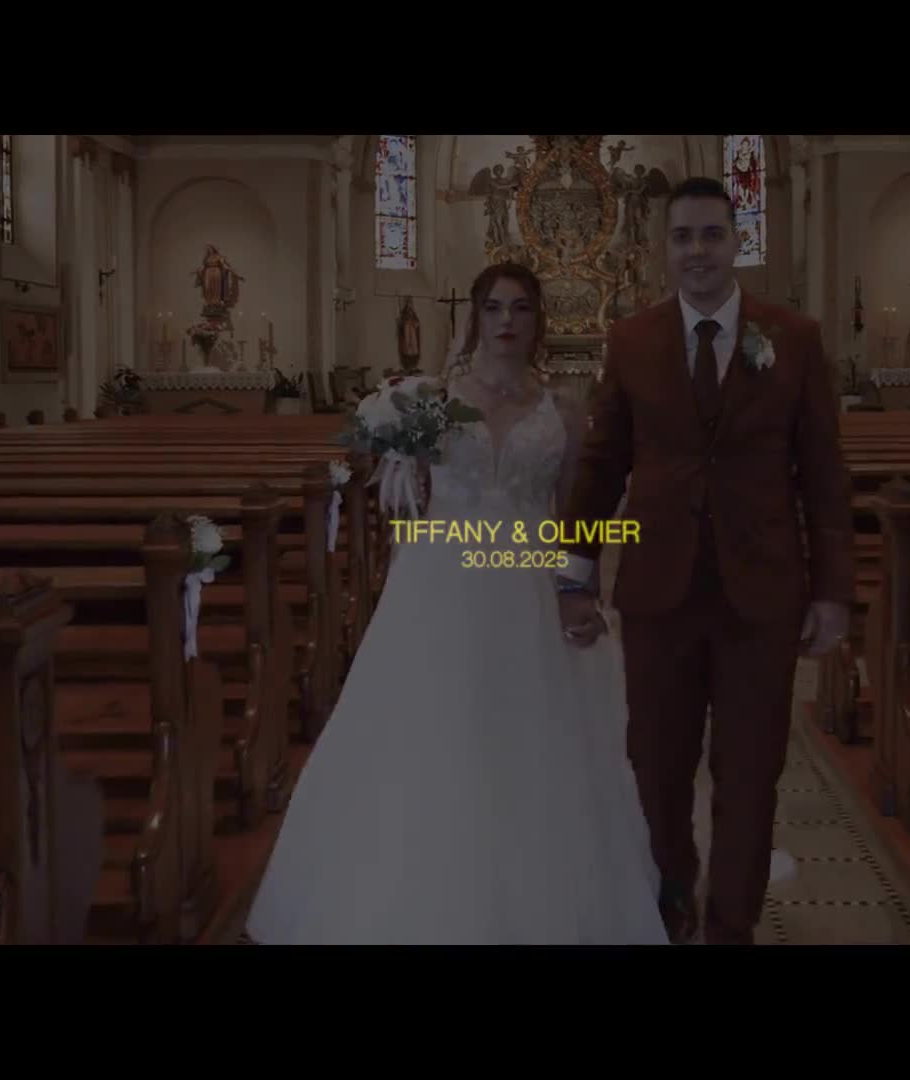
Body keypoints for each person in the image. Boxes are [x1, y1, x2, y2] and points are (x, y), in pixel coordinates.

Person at [243, 262, 668, 945]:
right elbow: (407, 503)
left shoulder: (562, 408)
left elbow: (575, 516)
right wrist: (399, 471)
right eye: (494, 307)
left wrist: (578, 593)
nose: (507, 321)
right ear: (475, 317)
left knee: (528, 734)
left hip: (527, 584)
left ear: (538, 320)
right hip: (442, 581)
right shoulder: (430, 401)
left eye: (521, 308)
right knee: (437, 730)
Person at [556, 176, 856, 945]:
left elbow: (824, 473)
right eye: (683, 236)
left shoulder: (794, 337)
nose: (697, 251)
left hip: (764, 592)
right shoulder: (632, 340)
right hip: (659, 591)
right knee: (656, 768)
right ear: (664, 248)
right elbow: (601, 467)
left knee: (749, 774)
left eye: (711, 234)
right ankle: (669, 903)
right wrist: (573, 576)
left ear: (736, 241)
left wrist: (833, 593)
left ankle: (732, 925)